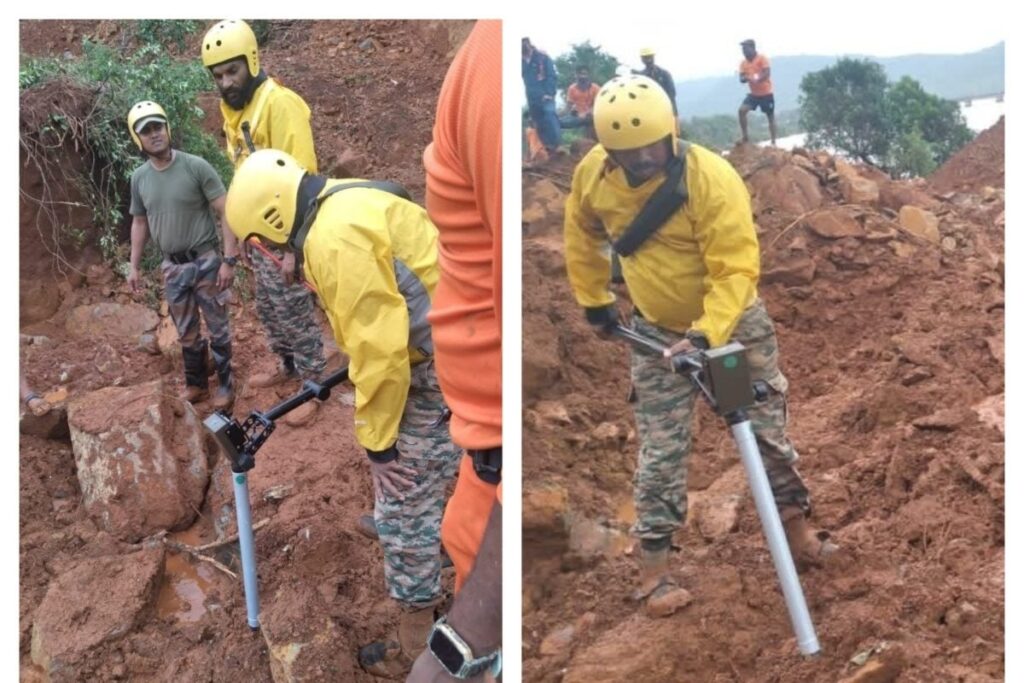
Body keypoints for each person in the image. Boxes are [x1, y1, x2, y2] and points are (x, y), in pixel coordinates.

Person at [563, 74, 837, 618]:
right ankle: (655, 570)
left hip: (727, 332)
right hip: (655, 337)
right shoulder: (594, 176)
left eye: (650, 150)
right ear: (607, 152)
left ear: (672, 130)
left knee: (765, 435)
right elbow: (581, 232)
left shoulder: (710, 178)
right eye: (628, 156)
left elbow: (736, 268)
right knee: (662, 453)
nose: (642, 161)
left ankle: (797, 531)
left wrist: (706, 335)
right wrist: (594, 297)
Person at [224, 149, 462, 678]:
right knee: (436, 460)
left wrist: (378, 445)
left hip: (444, 363)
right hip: (453, 342)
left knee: (402, 490)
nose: (270, 262)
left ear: (272, 227)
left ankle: (415, 638)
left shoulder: (333, 241)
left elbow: (383, 353)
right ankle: (439, 534)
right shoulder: (342, 198)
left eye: (262, 251)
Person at [410, 19, 502, 682]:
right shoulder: (485, 60)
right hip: (482, 475)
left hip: (499, 512)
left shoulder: (494, 69)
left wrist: (463, 638)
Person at [200, 19, 327, 423]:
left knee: (293, 308)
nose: (225, 82)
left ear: (252, 61)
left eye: (232, 71)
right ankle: (286, 365)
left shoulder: (278, 103)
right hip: (258, 236)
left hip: (286, 234)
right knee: (270, 308)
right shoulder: (234, 114)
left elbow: (303, 178)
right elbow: (241, 180)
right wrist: (238, 241)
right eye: (218, 75)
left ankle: (314, 383)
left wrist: (292, 250)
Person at [125, 100, 238, 410]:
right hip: (172, 268)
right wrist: (133, 267)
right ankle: (197, 384)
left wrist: (229, 259)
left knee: (217, 326)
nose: (154, 134)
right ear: (139, 139)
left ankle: (227, 385)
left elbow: (227, 210)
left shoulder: (195, 166)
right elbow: (139, 221)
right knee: (185, 330)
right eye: (146, 131)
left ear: (167, 128)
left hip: (205, 263)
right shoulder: (139, 178)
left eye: (157, 126)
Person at [522, 36, 561, 156]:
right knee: (538, 123)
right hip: (532, 97)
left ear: (528, 43)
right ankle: (545, 150)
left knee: (549, 115)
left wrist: (549, 93)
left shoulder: (542, 58)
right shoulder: (519, 61)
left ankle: (557, 146)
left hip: (545, 95)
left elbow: (551, 75)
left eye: (524, 43)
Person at [738, 38, 776, 145]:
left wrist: (757, 79)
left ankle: (773, 142)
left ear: (752, 48)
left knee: (770, 116)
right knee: (742, 111)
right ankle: (745, 137)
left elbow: (767, 73)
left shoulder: (762, 58)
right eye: (743, 50)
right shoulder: (743, 63)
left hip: (766, 93)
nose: (744, 52)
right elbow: (741, 78)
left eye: (745, 49)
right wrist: (745, 78)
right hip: (754, 95)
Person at [634, 48, 677, 116]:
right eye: (646, 58)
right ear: (642, 59)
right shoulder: (641, 77)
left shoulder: (664, 74)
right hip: (648, 112)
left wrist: (673, 113)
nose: (648, 60)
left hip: (665, 111)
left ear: (653, 57)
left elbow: (672, 94)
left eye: (650, 57)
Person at [559, 65, 600, 135]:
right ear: (576, 75)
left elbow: (599, 105)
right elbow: (567, 107)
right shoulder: (572, 88)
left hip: (592, 116)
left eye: (584, 74)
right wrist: (556, 116)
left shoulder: (595, 88)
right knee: (557, 122)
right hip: (577, 117)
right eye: (580, 74)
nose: (582, 77)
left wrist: (587, 113)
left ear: (588, 75)